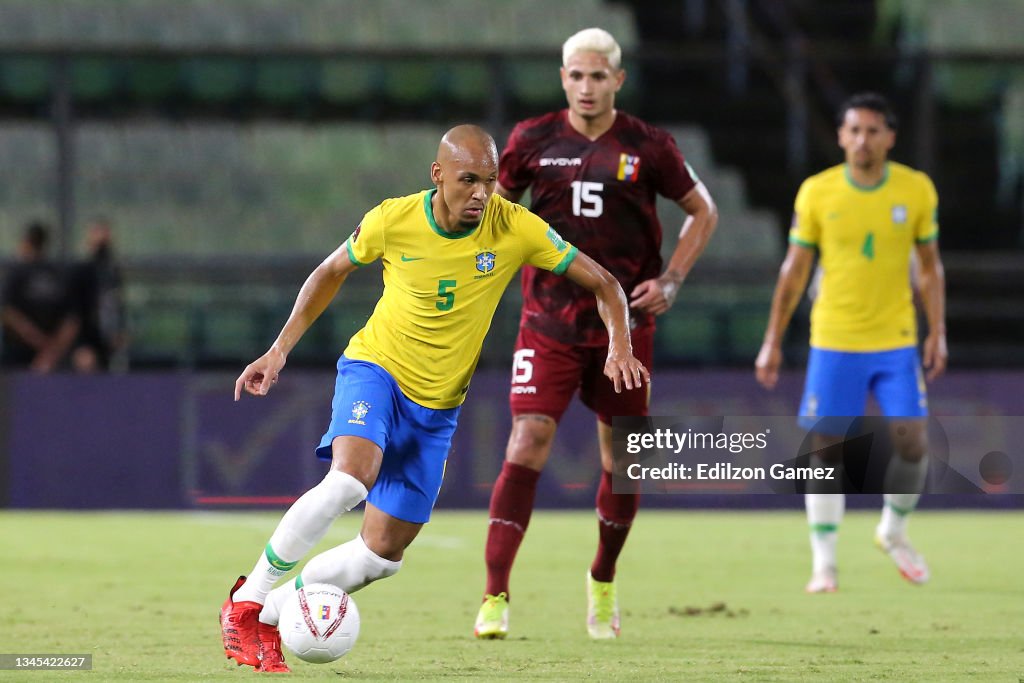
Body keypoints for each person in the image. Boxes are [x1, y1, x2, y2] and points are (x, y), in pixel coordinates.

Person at [219, 124, 650, 673]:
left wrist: (620, 344)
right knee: (351, 478)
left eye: (490, 182)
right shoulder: (392, 220)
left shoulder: (514, 228)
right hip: (376, 370)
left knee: (380, 557)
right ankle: (248, 603)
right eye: (468, 180)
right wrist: (278, 351)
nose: (481, 193)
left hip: (437, 408)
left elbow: (607, 284)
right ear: (438, 174)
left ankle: (276, 614)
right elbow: (330, 272)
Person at [474, 27, 717, 641]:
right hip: (548, 322)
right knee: (527, 439)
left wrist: (673, 279)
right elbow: (492, 216)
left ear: (617, 80)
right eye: (576, 76)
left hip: (626, 329)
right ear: (563, 79)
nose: (587, 87)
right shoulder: (531, 140)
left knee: (625, 460)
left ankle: (603, 579)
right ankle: (494, 595)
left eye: (598, 76)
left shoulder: (647, 145)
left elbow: (703, 211)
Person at [755, 92, 947, 593]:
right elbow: (795, 270)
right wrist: (773, 339)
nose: (863, 140)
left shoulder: (916, 190)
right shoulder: (818, 192)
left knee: (914, 444)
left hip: (896, 340)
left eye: (873, 131)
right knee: (826, 450)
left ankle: (893, 530)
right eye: (854, 130)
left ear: (890, 137)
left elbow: (929, 269)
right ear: (841, 136)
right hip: (834, 338)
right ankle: (825, 565)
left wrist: (938, 331)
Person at [1, 221, 79, 372]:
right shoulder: (59, 273)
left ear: (26, 242)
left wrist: (40, 343)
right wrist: (51, 350)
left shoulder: (16, 272)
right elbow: (72, 319)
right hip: (50, 355)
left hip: (19, 356)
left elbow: (7, 312)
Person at [70, 217, 127, 373]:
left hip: (107, 338)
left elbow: (117, 304)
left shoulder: (112, 272)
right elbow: (75, 312)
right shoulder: (82, 271)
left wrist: (119, 330)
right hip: (86, 339)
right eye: (97, 233)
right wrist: (79, 345)